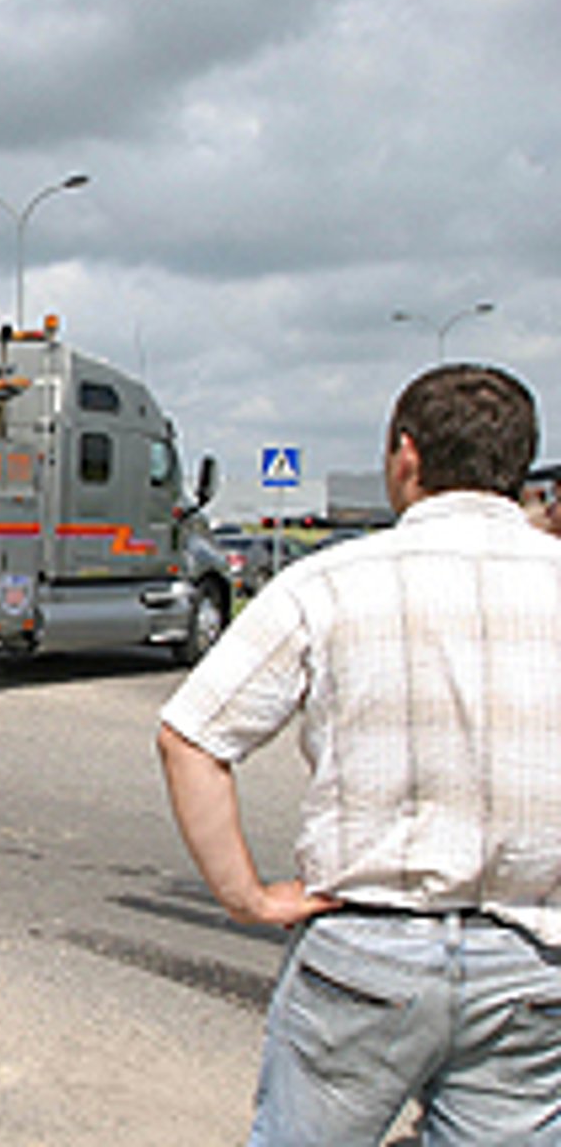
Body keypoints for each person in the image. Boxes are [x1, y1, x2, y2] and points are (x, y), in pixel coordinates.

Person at [157, 363, 561, 1144]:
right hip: (533, 963)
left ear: (405, 455)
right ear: (519, 466)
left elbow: (192, 736)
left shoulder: (330, 582)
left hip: (364, 956)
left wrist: (249, 899)